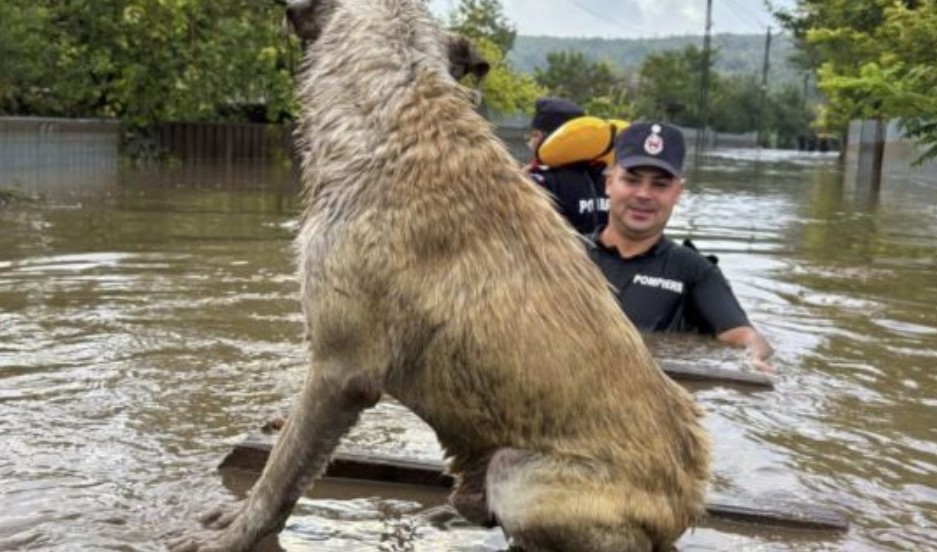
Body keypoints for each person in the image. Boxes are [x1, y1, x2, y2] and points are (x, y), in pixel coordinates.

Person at [588, 121, 775, 372]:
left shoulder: (693, 270)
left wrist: (753, 359)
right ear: (609, 183)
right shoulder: (565, 253)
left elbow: (744, 336)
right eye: (632, 180)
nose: (644, 194)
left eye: (660, 185)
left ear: (678, 192)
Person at [526, 97, 609, 234]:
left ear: (540, 137)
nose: (530, 142)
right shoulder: (607, 178)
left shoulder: (541, 181)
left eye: (533, 136)